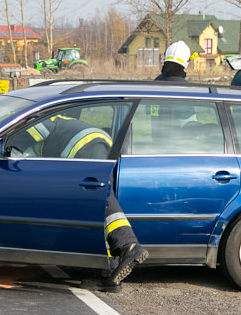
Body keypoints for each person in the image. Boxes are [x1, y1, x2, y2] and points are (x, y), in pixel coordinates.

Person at [8, 113, 149, 288]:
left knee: (100, 201)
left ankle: (128, 245)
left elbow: (12, 158)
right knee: (96, 205)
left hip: (84, 148)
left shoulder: (36, 121)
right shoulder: (57, 118)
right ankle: (107, 272)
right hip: (99, 146)